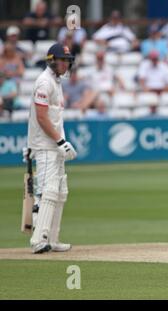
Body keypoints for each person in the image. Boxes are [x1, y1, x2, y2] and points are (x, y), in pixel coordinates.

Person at [25, 43, 77, 254]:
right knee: (48, 191)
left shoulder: (56, 81)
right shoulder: (44, 83)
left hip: (54, 145)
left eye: (67, 60)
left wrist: (60, 142)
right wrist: (61, 142)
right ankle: (38, 239)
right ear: (52, 60)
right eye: (62, 60)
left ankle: (52, 239)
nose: (65, 64)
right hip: (45, 145)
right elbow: (41, 117)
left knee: (60, 192)